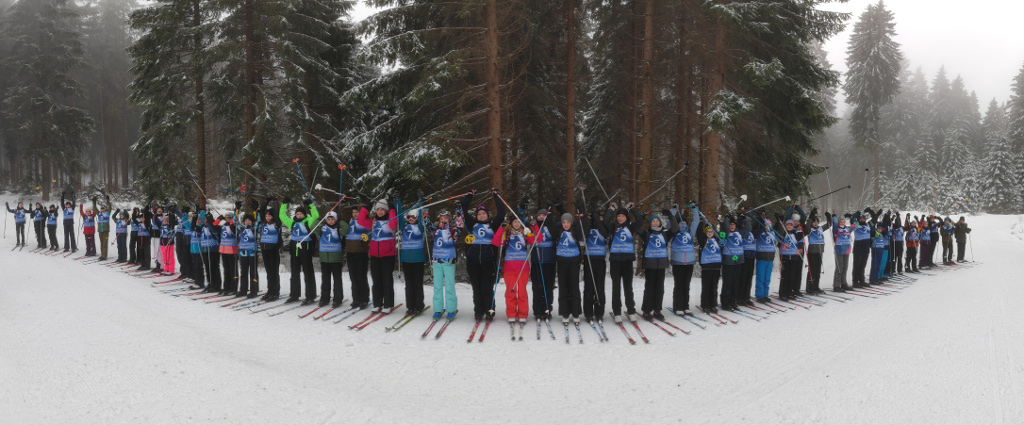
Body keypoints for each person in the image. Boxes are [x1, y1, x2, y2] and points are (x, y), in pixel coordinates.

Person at [461, 190, 506, 322]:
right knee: (477, 288)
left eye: (483, 213)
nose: (481, 216)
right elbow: (463, 211)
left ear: (487, 215)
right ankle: (478, 312)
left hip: (488, 262)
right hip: (473, 261)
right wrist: (468, 197)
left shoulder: (493, 225)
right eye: (479, 214)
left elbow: (502, 213)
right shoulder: (472, 225)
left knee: (487, 288)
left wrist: (496, 197)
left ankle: (490, 311)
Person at [360, 198, 399, 313]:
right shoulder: (373, 221)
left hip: (388, 254)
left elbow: (393, 225)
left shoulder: (390, 220)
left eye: (382, 209)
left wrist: (392, 210)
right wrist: (365, 208)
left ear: (386, 211)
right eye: (378, 209)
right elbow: (361, 221)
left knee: (387, 280)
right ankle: (377, 303)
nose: (380, 212)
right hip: (374, 255)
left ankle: (388, 304)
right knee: (376, 280)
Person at [606, 202, 643, 322]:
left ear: (626, 217)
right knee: (616, 287)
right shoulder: (613, 227)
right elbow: (605, 222)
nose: (620, 218)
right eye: (618, 216)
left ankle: (631, 310)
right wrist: (611, 210)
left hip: (627, 261)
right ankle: (617, 312)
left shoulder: (631, 226)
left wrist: (633, 209)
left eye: (622, 216)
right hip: (615, 262)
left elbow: (640, 221)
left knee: (628, 287)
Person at [279, 198, 319, 304]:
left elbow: (316, 216)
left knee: (308, 274)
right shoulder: (292, 223)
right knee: (294, 275)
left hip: (305, 251)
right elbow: (282, 216)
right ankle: (294, 295)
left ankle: (310, 295)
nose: (299, 215)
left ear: (304, 215)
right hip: (294, 252)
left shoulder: (308, 222)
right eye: (297, 214)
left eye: (301, 214)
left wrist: (310, 205)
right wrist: (284, 204)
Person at [493, 216, 531, 324]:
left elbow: (536, 240)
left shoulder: (525, 233)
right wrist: (501, 228)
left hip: (523, 268)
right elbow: (495, 242)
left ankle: (523, 314)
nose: (517, 224)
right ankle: (511, 314)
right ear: (511, 223)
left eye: (519, 222)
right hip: (509, 268)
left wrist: (532, 228)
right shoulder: (507, 234)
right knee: (511, 292)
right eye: (515, 221)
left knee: (522, 292)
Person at [552, 210, 586, 324]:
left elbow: (584, 227)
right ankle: (565, 313)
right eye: (563, 222)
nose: (566, 224)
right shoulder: (558, 232)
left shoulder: (575, 232)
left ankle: (576, 312)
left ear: (571, 223)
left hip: (574, 262)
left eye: (568, 222)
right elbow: (549, 225)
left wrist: (582, 215)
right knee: (563, 287)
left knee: (574, 287)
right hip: (561, 262)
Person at [428, 210, 460, 320]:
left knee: (449, 286)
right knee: (437, 286)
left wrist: (459, 210)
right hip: (437, 261)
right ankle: (438, 309)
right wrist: (425, 212)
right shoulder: (435, 230)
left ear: (450, 219)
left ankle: (451, 309)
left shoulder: (453, 230)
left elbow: (460, 224)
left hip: (449, 261)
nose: (443, 220)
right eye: (441, 218)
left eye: (446, 218)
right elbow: (426, 223)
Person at [581, 209, 611, 322]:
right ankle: (588, 312)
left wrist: (597, 217)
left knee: (599, 288)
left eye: (600, 217)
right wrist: (588, 219)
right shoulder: (589, 227)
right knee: (589, 287)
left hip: (600, 260)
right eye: (597, 217)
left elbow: (603, 231)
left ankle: (599, 312)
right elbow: (583, 233)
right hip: (589, 259)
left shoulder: (605, 227)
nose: (599, 219)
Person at [314, 210, 349, 307]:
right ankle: (325, 298)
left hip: (336, 258)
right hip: (324, 259)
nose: (330, 221)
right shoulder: (322, 229)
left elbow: (346, 228)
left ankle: (337, 299)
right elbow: (312, 227)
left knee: (337, 280)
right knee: (325, 280)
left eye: (332, 219)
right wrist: (319, 220)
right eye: (328, 219)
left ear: (335, 220)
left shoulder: (339, 229)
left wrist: (340, 220)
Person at [669, 206, 699, 315]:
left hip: (689, 263)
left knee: (686, 285)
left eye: (685, 223)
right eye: (681, 223)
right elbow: (670, 222)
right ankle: (678, 307)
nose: (683, 225)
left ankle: (685, 306)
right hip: (678, 263)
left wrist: (695, 209)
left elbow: (696, 221)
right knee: (679, 285)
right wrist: (674, 210)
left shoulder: (690, 234)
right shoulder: (674, 234)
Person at [528, 205, 556, 320]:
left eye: (543, 215)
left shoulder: (551, 226)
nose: (541, 217)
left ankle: (547, 309)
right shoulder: (533, 227)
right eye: (539, 215)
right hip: (536, 261)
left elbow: (555, 234)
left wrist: (549, 219)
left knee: (548, 287)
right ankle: (537, 310)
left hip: (549, 262)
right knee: (537, 287)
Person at [398, 206, 427, 314]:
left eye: (413, 217)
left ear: (417, 218)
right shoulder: (404, 227)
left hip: (418, 259)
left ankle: (419, 306)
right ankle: (410, 306)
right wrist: (398, 202)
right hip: (406, 259)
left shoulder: (420, 227)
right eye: (409, 217)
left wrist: (420, 202)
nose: (411, 219)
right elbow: (399, 217)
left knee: (417, 284)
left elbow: (421, 214)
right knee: (409, 284)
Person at [694, 209, 724, 313]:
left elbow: (723, 239)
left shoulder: (717, 240)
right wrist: (701, 222)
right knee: (706, 287)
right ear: (705, 232)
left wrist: (721, 222)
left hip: (716, 267)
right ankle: (705, 305)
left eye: (711, 232)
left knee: (714, 287)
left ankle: (713, 304)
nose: (710, 233)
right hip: (707, 267)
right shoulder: (704, 241)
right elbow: (698, 234)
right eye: (708, 232)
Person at [345, 206, 371, 309]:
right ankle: (356, 299)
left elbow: (368, 235)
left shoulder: (364, 222)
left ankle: (364, 299)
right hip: (350, 252)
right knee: (353, 276)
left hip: (361, 252)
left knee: (361, 276)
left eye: (357, 212)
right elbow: (342, 214)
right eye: (353, 212)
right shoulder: (349, 221)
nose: (355, 214)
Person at [259, 198, 283, 301]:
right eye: (266, 216)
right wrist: (266, 202)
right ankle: (270, 291)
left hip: (273, 250)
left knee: (274, 271)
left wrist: (275, 202)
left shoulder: (276, 224)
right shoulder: (263, 223)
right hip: (265, 250)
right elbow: (261, 211)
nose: (267, 217)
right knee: (268, 272)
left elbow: (277, 213)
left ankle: (275, 292)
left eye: (269, 216)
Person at [751, 212, 777, 303]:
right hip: (761, 258)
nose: (767, 227)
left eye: (768, 225)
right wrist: (759, 219)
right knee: (760, 278)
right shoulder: (759, 232)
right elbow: (755, 228)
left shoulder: (772, 233)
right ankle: (760, 296)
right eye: (765, 225)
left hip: (770, 259)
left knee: (767, 279)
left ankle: (765, 295)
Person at [804, 209, 831, 294]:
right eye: (814, 222)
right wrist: (811, 217)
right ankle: (809, 287)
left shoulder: (820, 228)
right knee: (812, 270)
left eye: (817, 222)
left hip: (819, 251)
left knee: (818, 270)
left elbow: (829, 224)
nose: (815, 223)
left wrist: (828, 217)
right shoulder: (809, 229)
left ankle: (816, 286)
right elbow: (806, 226)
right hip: (812, 252)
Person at [198, 209, 221, 291]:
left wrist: (210, 220)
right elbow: (194, 226)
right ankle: (210, 283)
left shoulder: (214, 227)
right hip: (205, 250)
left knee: (214, 267)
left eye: (207, 220)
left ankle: (216, 284)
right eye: (205, 220)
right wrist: (201, 212)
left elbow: (212, 227)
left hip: (213, 250)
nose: (206, 221)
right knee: (207, 267)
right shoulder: (203, 227)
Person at [218, 211, 239, 294]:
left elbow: (236, 232)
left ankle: (233, 288)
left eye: (229, 218)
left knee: (232, 269)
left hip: (232, 250)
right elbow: (214, 225)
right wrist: (220, 218)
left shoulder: (234, 226)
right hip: (223, 250)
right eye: (226, 218)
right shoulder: (223, 226)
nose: (227, 219)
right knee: (226, 270)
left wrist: (233, 221)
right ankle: (226, 287)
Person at [831, 212, 853, 292]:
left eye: (844, 222)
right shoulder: (836, 229)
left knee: (845, 267)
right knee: (839, 268)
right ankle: (836, 285)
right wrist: (834, 217)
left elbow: (855, 225)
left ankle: (843, 283)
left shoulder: (847, 229)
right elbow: (834, 224)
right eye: (841, 222)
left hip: (846, 250)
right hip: (839, 250)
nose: (843, 223)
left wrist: (853, 217)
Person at [851, 210, 872, 286]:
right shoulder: (856, 225)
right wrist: (856, 214)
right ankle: (855, 281)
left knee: (863, 265)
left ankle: (861, 280)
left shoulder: (868, 225)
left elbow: (875, 219)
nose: (862, 220)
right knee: (857, 265)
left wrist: (871, 211)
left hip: (866, 248)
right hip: (858, 248)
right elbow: (852, 219)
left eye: (863, 218)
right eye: (861, 219)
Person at [96, 196, 112, 261]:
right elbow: (94, 208)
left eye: (103, 209)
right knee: (101, 243)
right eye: (101, 209)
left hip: (105, 230)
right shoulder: (99, 213)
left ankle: (104, 256)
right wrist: (94, 202)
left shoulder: (107, 213)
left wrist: (108, 201)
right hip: (100, 230)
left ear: (105, 209)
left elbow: (110, 207)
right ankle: (102, 254)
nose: (102, 210)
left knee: (105, 243)